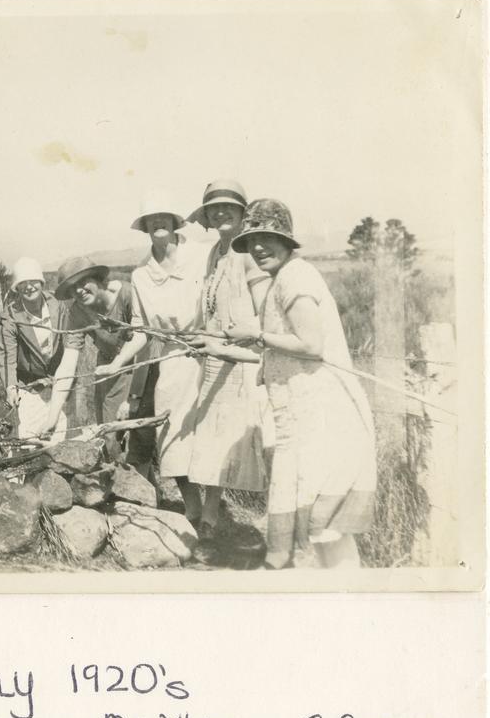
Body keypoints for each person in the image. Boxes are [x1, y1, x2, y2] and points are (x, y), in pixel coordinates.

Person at [224, 199, 376, 569]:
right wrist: (217, 347)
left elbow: (311, 345)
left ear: (287, 241)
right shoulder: (285, 277)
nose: (258, 247)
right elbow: (280, 354)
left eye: (267, 237)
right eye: (252, 239)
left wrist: (256, 334)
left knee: (329, 534)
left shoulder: (296, 276)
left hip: (325, 423)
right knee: (320, 538)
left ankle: (352, 608)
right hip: (307, 423)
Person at [99, 194, 210, 521]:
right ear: (145, 226)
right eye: (151, 218)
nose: (158, 222)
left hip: (210, 354)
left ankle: (215, 512)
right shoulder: (141, 275)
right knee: (173, 437)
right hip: (173, 363)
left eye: (164, 216)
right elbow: (141, 329)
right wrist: (117, 363)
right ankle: (194, 509)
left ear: (176, 221)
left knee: (212, 433)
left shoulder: (203, 257)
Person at [184, 180, 271, 538]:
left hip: (248, 359)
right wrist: (201, 336)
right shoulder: (213, 254)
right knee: (215, 438)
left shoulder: (251, 253)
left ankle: (275, 521)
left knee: (256, 438)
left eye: (228, 207)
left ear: (241, 214)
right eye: (213, 208)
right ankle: (210, 518)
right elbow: (210, 311)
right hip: (217, 358)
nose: (220, 213)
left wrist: (233, 336)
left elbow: (266, 316)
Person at [38, 256, 140, 460]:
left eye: (83, 282)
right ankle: (125, 483)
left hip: (142, 364)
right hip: (109, 366)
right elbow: (68, 363)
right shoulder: (78, 311)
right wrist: (52, 417)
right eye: (72, 288)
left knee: (138, 439)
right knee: (110, 436)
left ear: (98, 279)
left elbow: (144, 340)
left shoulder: (127, 294)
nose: (78, 291)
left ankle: (140, 484)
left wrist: (133, 397)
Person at [0, 257, 69, 441]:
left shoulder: (57, 305)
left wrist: (66, 376)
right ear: (17, 288)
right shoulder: (12, 315)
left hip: (56, 380)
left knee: (58, 431)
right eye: (23, 283)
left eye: (33, 281)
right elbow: (7, 354)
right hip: (28, 383)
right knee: (32, 435)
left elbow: (71, 340)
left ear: (41, 282)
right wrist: (11, 388)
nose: (29, 287)